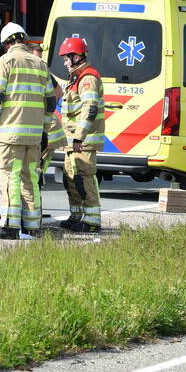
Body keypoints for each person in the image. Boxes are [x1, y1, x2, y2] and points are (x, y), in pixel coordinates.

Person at [0, 23, 56, 239]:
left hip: (11, 133)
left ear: (6, 44)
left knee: (10, 176)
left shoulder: (5, 61)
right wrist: (44, 125)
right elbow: (51, 102)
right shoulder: (41, 64)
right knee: (30, 178)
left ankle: (10, 226)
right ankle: (33, 226)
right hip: (33, 136)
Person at [58, 36, 105, 232]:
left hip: (82, 142)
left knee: (84, 179)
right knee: (70, 179)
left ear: (77, 57)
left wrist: (79, 136)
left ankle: (92, 221)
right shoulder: (76, 78)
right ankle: (76, 216)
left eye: (67, 58)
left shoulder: (87, 78)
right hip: (73, 143)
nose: (65, 62)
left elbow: (90, 108)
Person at [28, 42, 67, 189]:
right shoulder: (40, 72)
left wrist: (43, 108)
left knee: (34, 168)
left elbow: (58, 93)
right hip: (48, 128)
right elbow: (57, 93)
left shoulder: (38, 72)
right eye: (37, 58)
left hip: (47, 129)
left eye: (41, 59)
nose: (40, 62)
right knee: (36, 168)